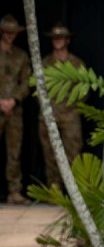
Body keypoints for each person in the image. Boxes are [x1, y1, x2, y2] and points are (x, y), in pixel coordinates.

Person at [39, 23, 85, 188]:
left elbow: (84, 90)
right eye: (54, 38)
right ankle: (54, 189)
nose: (57, 41)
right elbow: (37, 88)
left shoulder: (76, 64)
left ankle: (75, 192)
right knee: (50, 154)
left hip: (70, 115)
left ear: (67, 40)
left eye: (60, 38)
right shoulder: (44, 63)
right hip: (49, 114)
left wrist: (71, 107)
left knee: (73, 152)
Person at [0, 14, 31, 204]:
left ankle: (14, 191)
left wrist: (13, 100)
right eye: (7, 32)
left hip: (14, 110)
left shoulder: (21, 56)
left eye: (14, 33)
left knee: (14, 151)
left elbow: (26, 82)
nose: (10, 35)